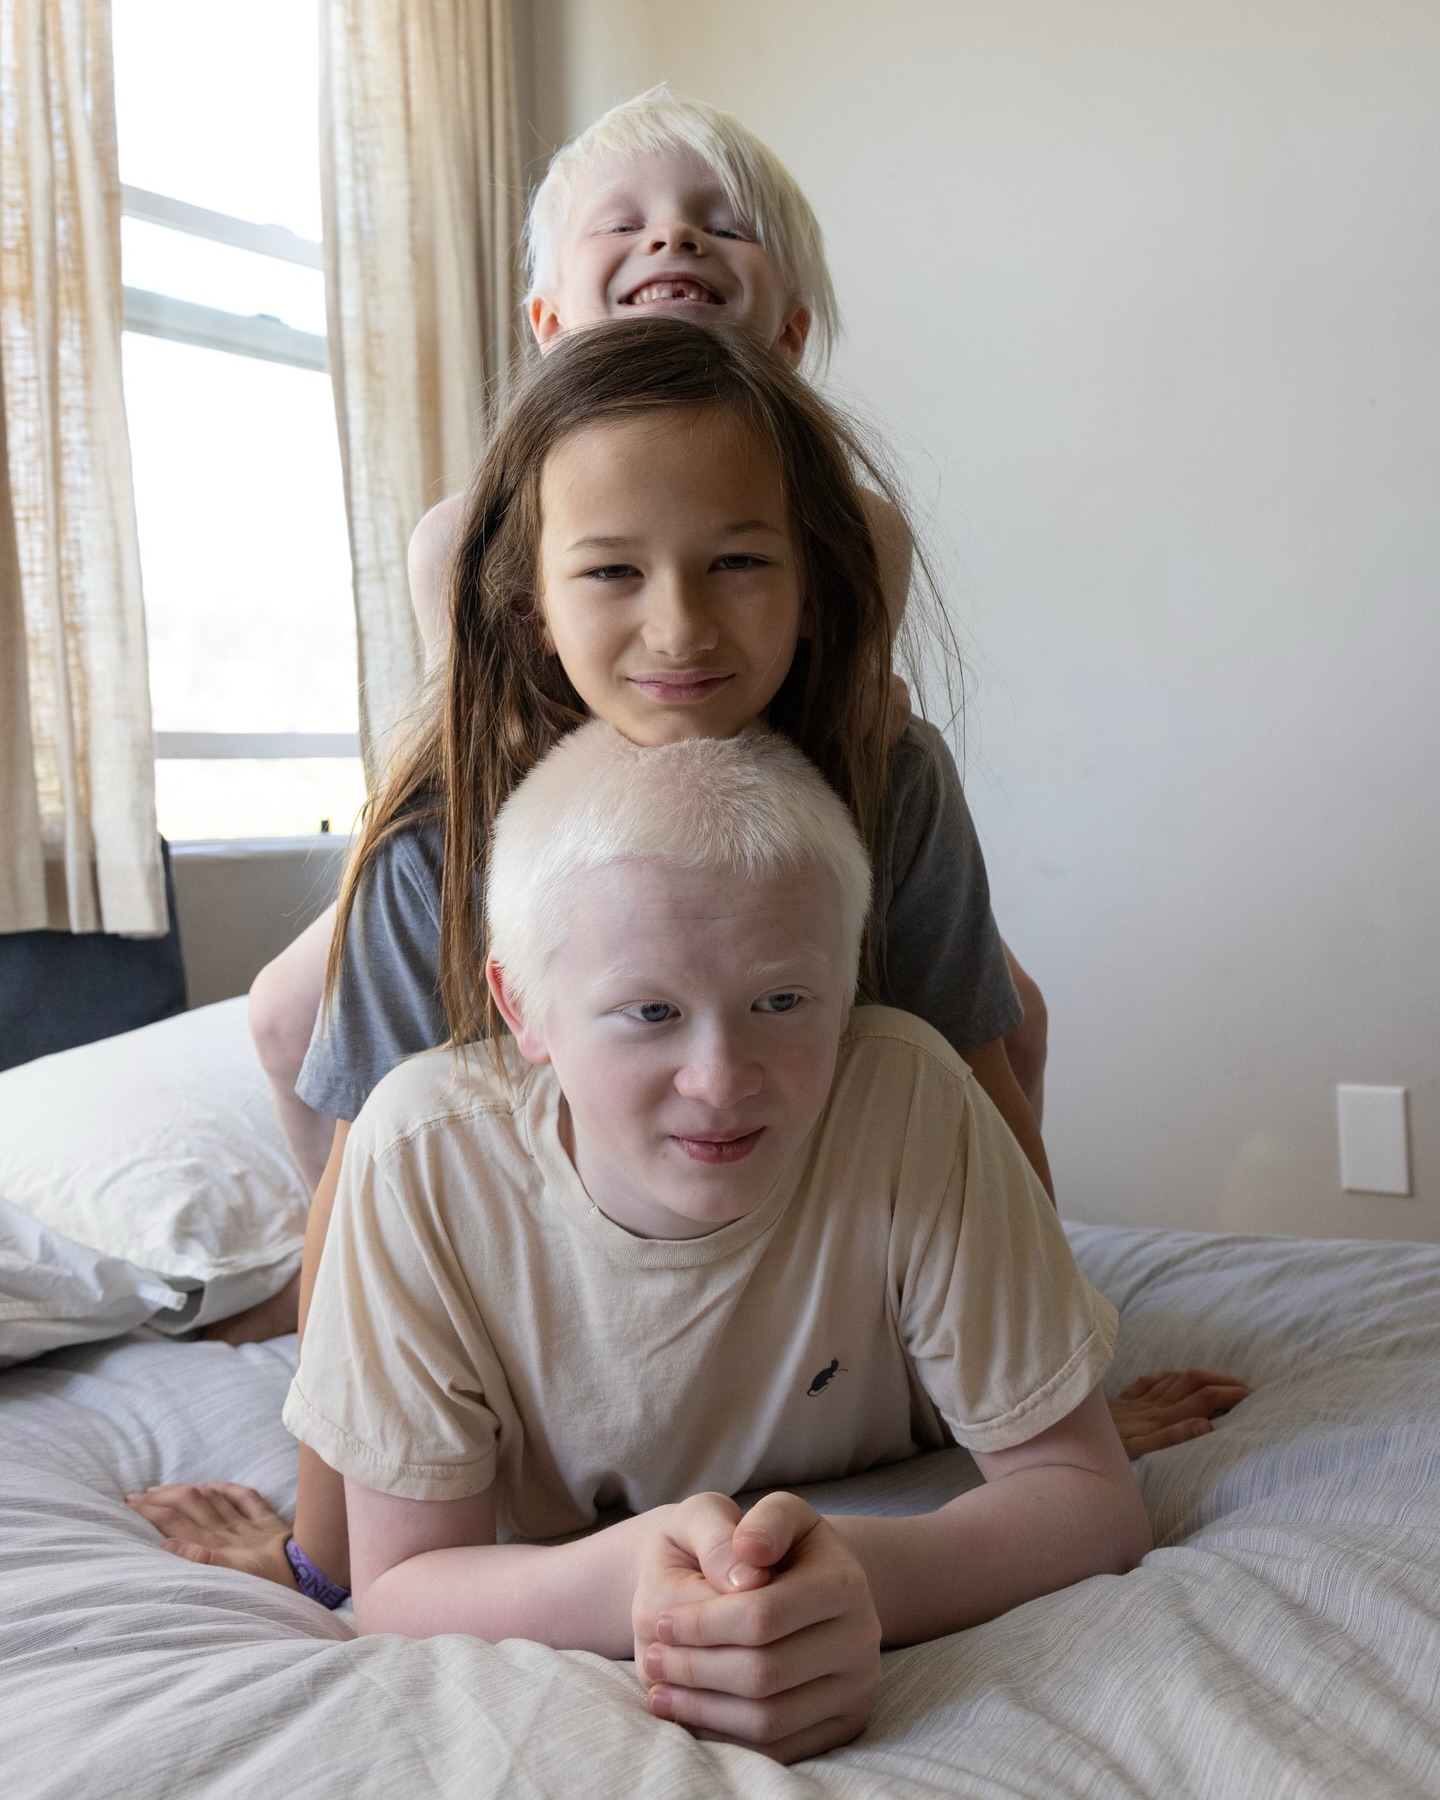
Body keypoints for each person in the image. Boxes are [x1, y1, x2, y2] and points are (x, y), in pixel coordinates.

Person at [129, 318, 1245, 1592]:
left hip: (826, 1287)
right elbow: (367, 1197)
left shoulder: (890, 784)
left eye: (738, 562)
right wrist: (321, 1551)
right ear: (532, 604)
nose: (680, 627)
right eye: (613, 571)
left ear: (813, 580)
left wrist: (1052, 1389)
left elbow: (977, 1092)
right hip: (570, 1333)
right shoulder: (436, 846)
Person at [284, 717, 1152, 1763]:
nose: (721, 1079)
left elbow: (1090, 1499)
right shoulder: (419, 1156)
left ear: (847, 983)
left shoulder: (911, 1096)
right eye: (650, 1012)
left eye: (781, 1001)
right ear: (523, 1006)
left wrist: (851, 1580)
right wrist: (637, 1580)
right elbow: (397, 1584)